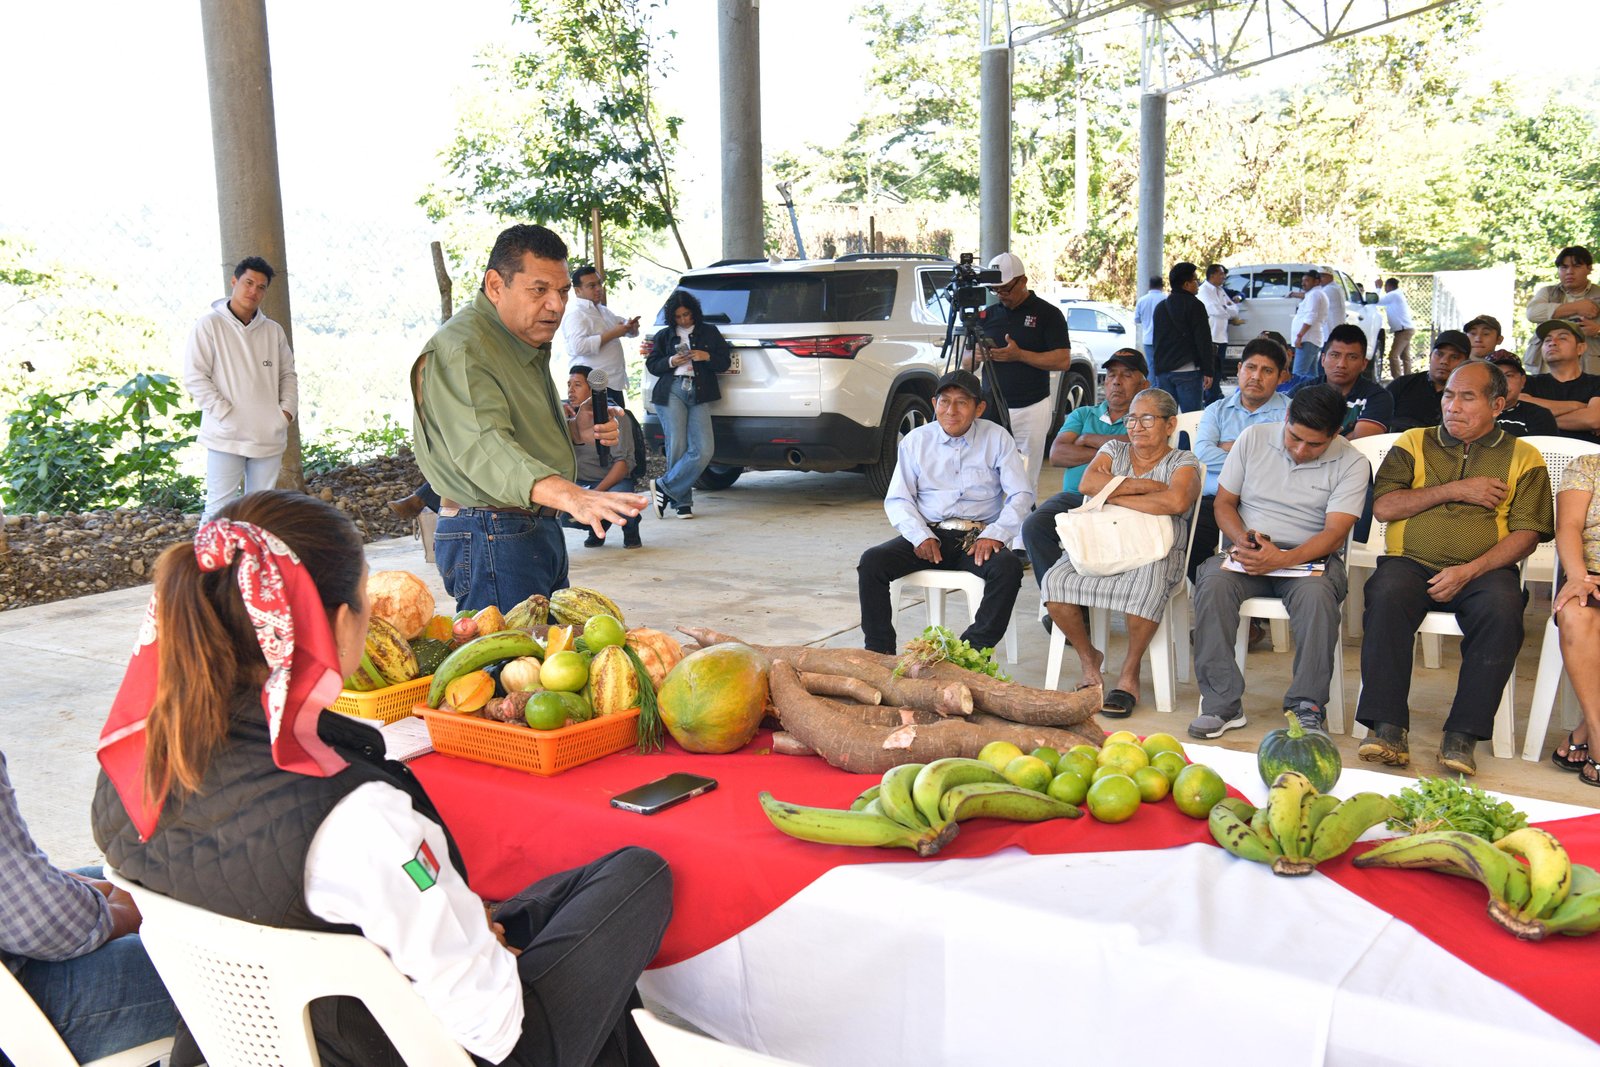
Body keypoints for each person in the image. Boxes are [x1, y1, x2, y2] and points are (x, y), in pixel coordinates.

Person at [91, 491, 671, 1066]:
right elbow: (492, 1027)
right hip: (414, 1046)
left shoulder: (131, 762)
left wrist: (475, 932)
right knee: (638, 877)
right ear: (340, 623)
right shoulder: (354, 817)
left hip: (257, 1039)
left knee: (555, 911)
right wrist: (492, 958)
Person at [411, 225, 641, 612]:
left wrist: (573, 431)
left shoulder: (519, 338)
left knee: (544, 663)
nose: (556, 305)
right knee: (509, 669)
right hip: (492, 533)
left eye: (563, 291)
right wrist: (573, 495)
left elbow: (514, 432)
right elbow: (485, 448)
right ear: (496, 285)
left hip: (529, 527)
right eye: (539, 290)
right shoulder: (464, 349)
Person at [1355, 362, 1553, 776]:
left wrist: (1469, 571)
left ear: (1498, 404)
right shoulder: (1413, 442)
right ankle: (1387, 727)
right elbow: (1385, 506)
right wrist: (1457, 490)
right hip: (1409, 563)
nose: (1453, 406)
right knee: (1385, 594)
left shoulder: (1523, 456)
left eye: (1467, 397)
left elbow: (1528, 534)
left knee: (1503, 611)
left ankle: (1462, 734)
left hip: (1484, 570)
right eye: (1448, 395)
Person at [1187, 386, 1371, 738]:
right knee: (1212, 583)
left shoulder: (1353, 462)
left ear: (1335, 434)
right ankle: (1221, 703)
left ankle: (1306, 706)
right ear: (1286, 419)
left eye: (1314, 445)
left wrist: (1283, 559)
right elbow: (1224, 504)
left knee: (1318, 599)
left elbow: (1334, 533)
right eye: (1294, 437)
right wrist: (1242, 539)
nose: (1301, 450)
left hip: (1310, 559)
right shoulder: (1253, 439)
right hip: (1252, 550)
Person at [1, 751, 180, 1064]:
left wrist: (103, 894)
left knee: (109, 880)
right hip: (12, 1011)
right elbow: (41, 925)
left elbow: (18, 872)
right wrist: (121, 910)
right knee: (210, 967)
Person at [1040, 388, 1202, 717]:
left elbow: (1175, 502)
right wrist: (1150, 487)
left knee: (1146, 587)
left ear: (1170, 425)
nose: (1136, 426)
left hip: (1159, 547)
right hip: (1104, 540)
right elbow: (1087, 485)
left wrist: (1113, 492)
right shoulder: (1114, 448)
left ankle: (1130, 673)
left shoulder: (1184, 460)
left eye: (1147, 418)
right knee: (1055, 582)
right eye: (1131, 418)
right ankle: (1090, 662)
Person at [857, 370, 1033, 656]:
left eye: (962, 402)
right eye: (944, 401)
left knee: (1008, 568)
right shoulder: (916, 441)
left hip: (977, 539)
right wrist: (919, 536)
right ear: (934, 403)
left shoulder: (997, 438)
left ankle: (967, 651)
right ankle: (879, 654)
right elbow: (898, 498)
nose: (951, 410)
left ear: (979, 408)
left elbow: (1021, 495)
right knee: (872, 562)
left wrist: (996, 535)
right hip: (931, 536)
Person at [182, 255, 298, 520]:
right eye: (248, 283)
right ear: (234, 281)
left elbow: (288, 375)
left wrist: (285, 414)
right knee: (218, 510)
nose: (253, 291)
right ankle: (205, 563)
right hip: (226, 436)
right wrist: (224, 414)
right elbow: (195, 376)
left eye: (261, 287)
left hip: (268, 435)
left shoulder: (273, 331)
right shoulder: (209, 325)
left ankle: (251, 563)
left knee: (259, 513)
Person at [1020, 350, 1148, 584]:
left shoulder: (1145, 419)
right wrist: (1113, 451)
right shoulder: (1083, 413)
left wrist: (1088, 439)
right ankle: (1060, 599)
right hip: (1074, 497)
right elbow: (1058, 455)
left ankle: (1073, 602)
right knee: (1033, 527)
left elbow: (1139, 451)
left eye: (1127, 375)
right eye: (1111, 375)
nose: (1116, 381)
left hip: (1119, 502)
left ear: (1143, 384)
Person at [1188, 336, 1291, 581]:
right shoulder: (1217, 409)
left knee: (1263, 552)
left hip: (1267, 501)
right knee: (1188, 543)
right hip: (1215, 500)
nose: (1256, 376)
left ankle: (1255, 612)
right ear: (1239, 369)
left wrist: (1230, 449)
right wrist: (1256, 457)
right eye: (1251, 368)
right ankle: (1213, 598)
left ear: (1280, 378)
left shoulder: (1290, 413)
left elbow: (1284, 464)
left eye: (1267, 371)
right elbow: (1202, 453)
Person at [969, 252, 1073, 485]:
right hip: (991, 405)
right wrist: (976, 355)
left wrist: (1019, 355)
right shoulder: (986, 315)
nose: (1001, 295)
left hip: (1031, 406)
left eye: (1006, 289)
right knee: (987, 472)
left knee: (1025, 476)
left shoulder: (1048, 314)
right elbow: (966, 362)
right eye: (995, 290)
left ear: (1023, 281)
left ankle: (1023, 521)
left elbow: (1063, 360)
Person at [646, 289, 732, 520]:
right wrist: (672, 360)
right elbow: (652, 365)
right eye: (678, 316)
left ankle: (664, 486)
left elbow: (724, 361)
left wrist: (707, 357)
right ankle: (682, 503)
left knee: (704, 448)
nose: (684, 320)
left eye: (687, 315)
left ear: (695, 312)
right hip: (672, 389)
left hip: (700, 390)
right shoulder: (665, 335)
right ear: (672, 317)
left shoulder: (709, 332)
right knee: (678, 445)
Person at [1548, 449, 1600, 785]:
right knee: (1575, 614)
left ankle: (1586, 730)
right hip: (1589, 573)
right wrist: (1578, 576)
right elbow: (1567, 527)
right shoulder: (1587, 466)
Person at [566, 365, 641, 549]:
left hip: (610, 482)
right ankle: (596, 528)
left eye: (577, 385)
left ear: (593, 389)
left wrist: (595, 494)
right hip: (581, 481)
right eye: (568, 385)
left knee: (623, 504)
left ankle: (630, 529)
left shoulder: (613, 415)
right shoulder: (565, 413)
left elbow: (622, 465)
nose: (570, 390)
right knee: (558, 507)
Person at [1291, 324, 1391, 439]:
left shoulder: (1377, 397)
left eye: (1352, 357)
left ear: (1364, 364)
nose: (1341, 364)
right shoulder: (1301, 391)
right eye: (1335, 355)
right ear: (1323, 360)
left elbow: (1361, 440)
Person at [561, 267, 639, 405]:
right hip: (593, 385)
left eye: (599, 283)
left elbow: (620, 326)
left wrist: (630, 328)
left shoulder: (603, 311)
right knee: (600, 426)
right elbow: (578, 347)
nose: (598, 288)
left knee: (618, 425)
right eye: (592, 286)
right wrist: (613, 333)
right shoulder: (576, 314)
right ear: (578, 290)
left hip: (613, 382)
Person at [1519, 317, 1600, 446]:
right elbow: (1520, 403)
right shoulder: (1528, 382)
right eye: (1547, 340)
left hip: (1587, 461)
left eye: (1562, 338)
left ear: (1580, 348)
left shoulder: (1596, 383)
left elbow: (1593, 419)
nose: (1552, 343)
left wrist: (1537, 419)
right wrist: (1578, 406)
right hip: (1538, 458)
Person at [1150, 262, 1216, 413]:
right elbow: (1203, 339)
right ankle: (1186, 439)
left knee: (1166, 419)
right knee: (1190, 420)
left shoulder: (1161, 307)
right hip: (1188, 372)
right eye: (1195, 280)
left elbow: (1156, 342)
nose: (1198, 283)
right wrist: (1208, 370)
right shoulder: (1195, 306)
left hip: (1164, 372)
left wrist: (1158, 371)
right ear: (1186, 284)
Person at [1525, 246, 1600, 374]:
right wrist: (1577, 307)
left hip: (1589, 372)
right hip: (1546, 371)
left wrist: (1598, 330)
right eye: (1564, 267)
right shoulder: (1548, 292)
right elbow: (1532, 313)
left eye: (1576, 266)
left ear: (1589, 268)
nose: (1569, 272)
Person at [1385, 330, 1472, 431]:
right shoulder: (1402, 385)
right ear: (1430, 356)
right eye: (1439, 354)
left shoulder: (1471, 395)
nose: (1444, 361)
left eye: (1454, 357)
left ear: (1466, 363)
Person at [1488, 352, 1558, 438]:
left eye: (1509, 375)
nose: (1502, 382)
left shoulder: (1539, 415)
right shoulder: (1471, 412)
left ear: (1523, 381)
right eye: (1495, 376)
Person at [1197, 264, 1240, 403]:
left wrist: (1225, 309)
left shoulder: (1220, 290)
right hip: (1211, 337)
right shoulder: (1203, 290)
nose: (1223, 277)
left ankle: (1213, 397)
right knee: (1210, 371)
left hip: (1222, 337)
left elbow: (1235, 310)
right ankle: (1210, 399)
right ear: (1212, 275)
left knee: (1219, 371)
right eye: (1221, 274)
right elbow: (1213, 309)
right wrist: (1226, 310)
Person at [1289, 268, 1331, 377]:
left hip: (1307, 339)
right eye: (1303, 281)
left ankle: (1296, 394)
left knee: (1298, 374)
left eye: (1307, 280)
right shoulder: (1313, 294)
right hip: (1310, 338)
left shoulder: (1315, 294)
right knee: (1310, 376)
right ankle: (1316, 394)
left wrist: (1300, 336)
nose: (1303, 283)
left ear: (1316, 281)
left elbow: (1310, 317)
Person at [1379, 278, 1416, 379]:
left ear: (1389, 286)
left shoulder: (1394, 295)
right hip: (1405, 329)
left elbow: (1376, 301)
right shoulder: (1397, 294)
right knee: (1405, 357)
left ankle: (1398, 380)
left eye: (1385, 287)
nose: (1385, 289)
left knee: (1393, 356)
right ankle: (1408, 379)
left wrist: (1377, 288)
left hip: (1404, 330)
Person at [1133, 276, 1165, 364]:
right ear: (1162, 285)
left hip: (1148, 339)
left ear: (1149, 286)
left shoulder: (1142, 300)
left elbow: (1137, 320)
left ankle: (1150, 379)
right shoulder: (1166, 299)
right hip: (1163, 339)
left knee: (1151, 366)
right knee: (1162, 365)